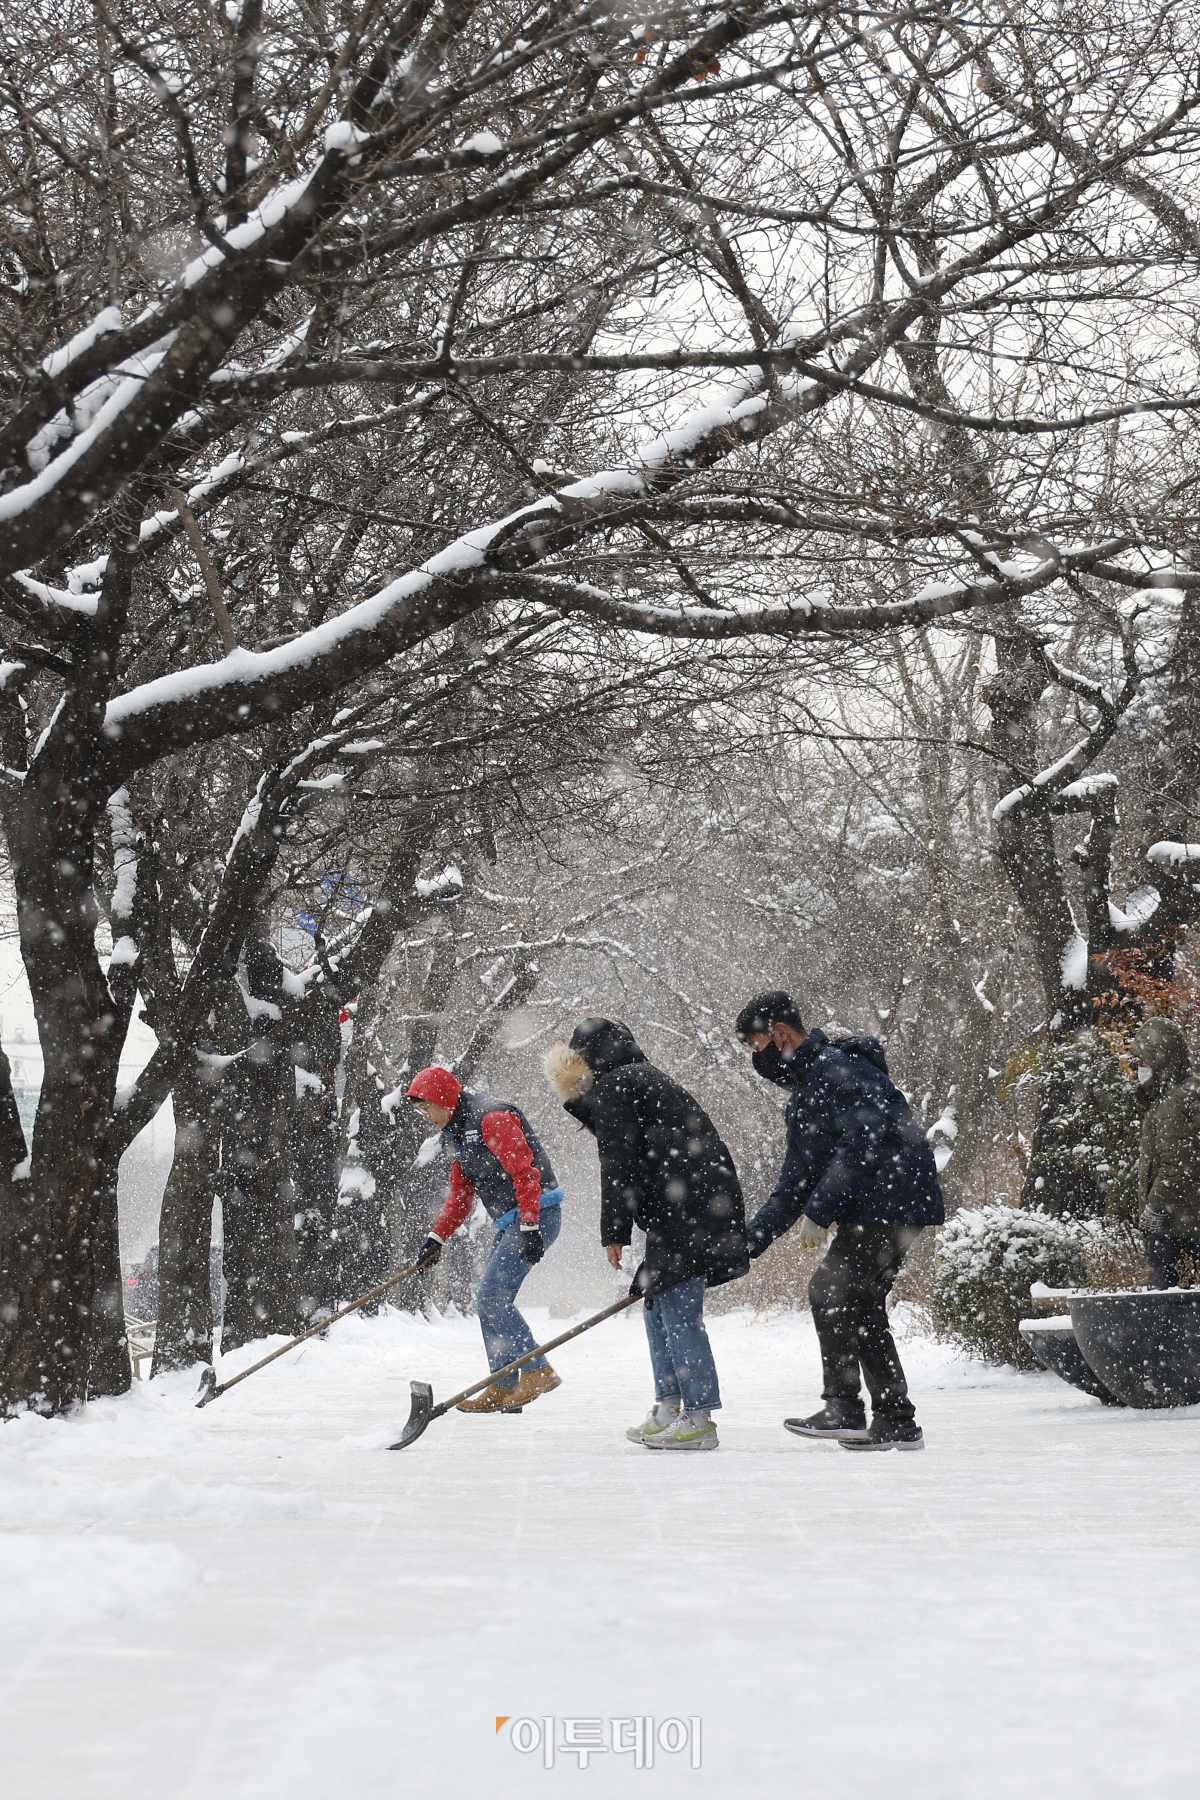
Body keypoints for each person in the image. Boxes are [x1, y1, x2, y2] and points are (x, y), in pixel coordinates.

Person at [735, 990, 944, 1452]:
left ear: (781, 1034)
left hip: (892, 1199)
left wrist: (819, 1210)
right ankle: (895, 1420)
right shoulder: (809, 1089)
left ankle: (846, 1407)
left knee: (830, 1291)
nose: (757, 1057)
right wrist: (749, 1242)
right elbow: (794, 1181)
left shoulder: (837, 1069)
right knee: (861, 1306)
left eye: (756, 1045)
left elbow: (863, 1141)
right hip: (880, 1204)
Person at [544, 1018, 749, 1452]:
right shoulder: (639, 1078)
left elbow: (618, 1162)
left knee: (675, 1306)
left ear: (586, 1063)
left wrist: (614, 1232)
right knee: (656, 1301)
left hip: (691, 1209)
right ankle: (669, 1407)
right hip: (692, 1206)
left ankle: (698, 1417)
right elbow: (634, 1151)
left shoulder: (620, 1085)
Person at [408, 1065, 565, 1413]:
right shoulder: (455, 1132)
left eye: (426, 1108)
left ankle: (537, 1370)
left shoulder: (490, 1118)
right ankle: (503, 1384)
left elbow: (525, 1173)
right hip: (513, 1220)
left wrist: (529, 1224)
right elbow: (461, 1194)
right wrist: (437, 1238)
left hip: (536, 1214)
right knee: (488, 1302)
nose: (425, 1116)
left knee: (492, 1298)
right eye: (419, 1111)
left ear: (443, 1099)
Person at [1129, 1017, 1200, 1289]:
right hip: (1185, 1222)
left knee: (1161, 1307)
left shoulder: (1175, 1101)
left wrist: (1155, 1208)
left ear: (1162, 1061)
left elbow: (1179, 1165)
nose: (1139, 1069)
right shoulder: (1176, 1095)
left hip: (1176, 1227)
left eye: (1144, 1062)